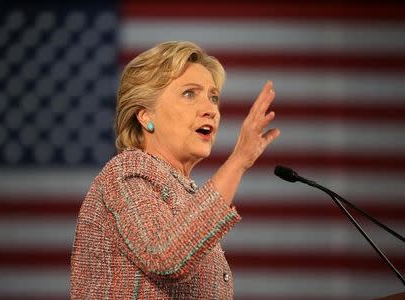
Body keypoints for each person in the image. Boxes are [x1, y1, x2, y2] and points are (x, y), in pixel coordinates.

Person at [70, 41, 280, 299]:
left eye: (213, 97)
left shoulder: (184, 195)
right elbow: (167, 257)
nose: (211, 110)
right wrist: (238, 162)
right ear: (146, 115)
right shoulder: (126, 172)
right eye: (190, 94)